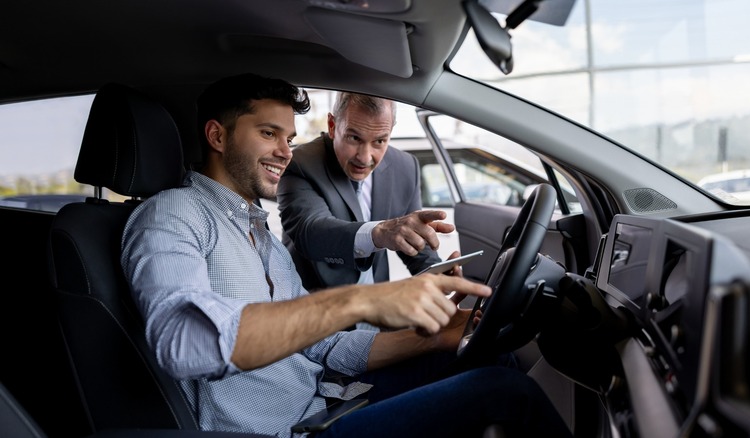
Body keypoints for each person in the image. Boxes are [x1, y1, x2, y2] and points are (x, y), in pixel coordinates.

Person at [121, 73, 572, 438]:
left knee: (487, 358)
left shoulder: (258, 230)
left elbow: (326, 345)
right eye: (267, 133)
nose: (285, 152)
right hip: (283, 430)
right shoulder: (171, 215)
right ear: (218, 136)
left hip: (325, 400)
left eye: (289, 138)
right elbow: (182, 342)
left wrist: (435, 336)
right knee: (506, 394)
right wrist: (360, 301)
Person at [277, 92, 448, 292]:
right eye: (354, 138)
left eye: (380, 141)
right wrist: (380, 233)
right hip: (314, 307)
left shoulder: (406, 166)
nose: (365, 157)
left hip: (378, 307)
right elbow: (311, 232)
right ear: (332, 126)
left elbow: (411, 238)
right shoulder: (300, 163)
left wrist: (438, 274)